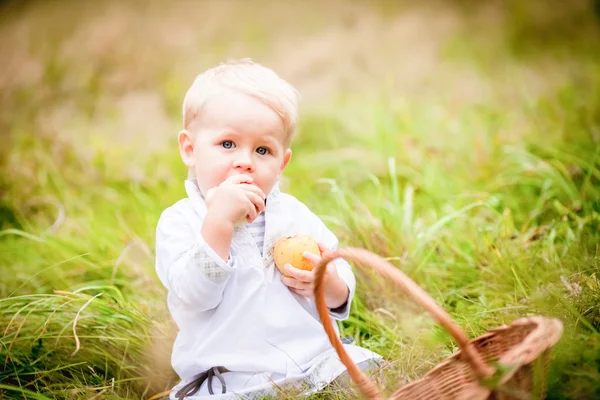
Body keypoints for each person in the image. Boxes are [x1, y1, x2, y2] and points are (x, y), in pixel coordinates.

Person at [155, 59, 382, 399]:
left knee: (367, 374)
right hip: (231, 378)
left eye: (263, 150)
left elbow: (338, 288)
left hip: (312, 363)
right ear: (190, 149)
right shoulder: (181, 222)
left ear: (282, 163)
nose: (245, 161)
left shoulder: (294, 215)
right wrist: (218, 222)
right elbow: (196, 295)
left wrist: (328, 283)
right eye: (228, 144)